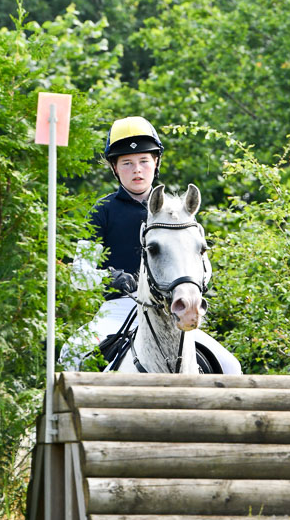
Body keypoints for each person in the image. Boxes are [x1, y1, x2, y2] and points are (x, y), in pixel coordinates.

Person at [59, 115, 241, 374]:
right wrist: (111, 279)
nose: (137, 170)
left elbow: (203, 263)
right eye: (127, 163)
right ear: (115, 168)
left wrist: (193, 283)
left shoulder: (178, 211)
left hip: (173, 309)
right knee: (71, 352)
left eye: (144, 161)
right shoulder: (102, 210)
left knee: (230, 367)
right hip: (117, 310)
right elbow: (79, 273)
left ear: (155, 163)